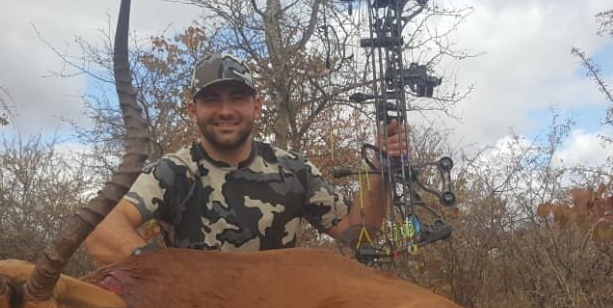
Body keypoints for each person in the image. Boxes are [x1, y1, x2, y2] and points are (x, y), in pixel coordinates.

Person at [85, 52, 405, 265]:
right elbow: (100, 229)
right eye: (212, 100)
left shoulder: (293, 169)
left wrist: (378, 172)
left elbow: (359, 235)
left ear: (257, 106)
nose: (226, 110)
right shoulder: (173, 171)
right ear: (194, 111)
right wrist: (158, 270)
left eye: (237, 98)